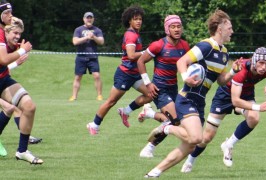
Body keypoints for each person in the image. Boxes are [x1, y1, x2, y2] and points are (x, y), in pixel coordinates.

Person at [144, 9, 241, 178]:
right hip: (187, 98)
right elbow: (183, 61)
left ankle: (154, 172)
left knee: (190, 145)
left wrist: (232, 71)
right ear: (220, 28)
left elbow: (220, 81)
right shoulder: (206, 46)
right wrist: (185, 77)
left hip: (200, 101)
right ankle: (168, 127)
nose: (232, 31)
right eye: (229, 27)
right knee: (196, 138)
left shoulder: (224, 53)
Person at [181, 47, 266, 172]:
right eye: (261, 63)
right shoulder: (242, 70)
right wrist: (259, 107)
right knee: (207, 137)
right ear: (254, 60)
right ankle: (190, 160)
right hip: (225, 96)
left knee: (254, 118)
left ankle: (229, 144)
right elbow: (235, 100)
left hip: (246, 94)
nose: (264, 67)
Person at [129, 15, 190, 158]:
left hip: (174, 88)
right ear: (167, 29)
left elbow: (189, 64)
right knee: (175, 121)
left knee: (175, 121)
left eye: (178, 26)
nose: (176, 29)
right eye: (173, 27)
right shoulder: (158, 45)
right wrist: (148, 83)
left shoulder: (185, 46)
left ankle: (149, 115)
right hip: (159, 89)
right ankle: (148, 149)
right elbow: (140, 62)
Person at [86, 5, 150, 134]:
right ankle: (94, 124)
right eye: (135, 19)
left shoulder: (136, 34)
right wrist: (147, 52)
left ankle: (125, 111)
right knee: (111, 102)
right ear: (129, 21)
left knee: (150, 94)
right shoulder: (131, 35)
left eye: (140, 19)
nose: (138, 21)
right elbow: (131, 55)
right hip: (125, 74)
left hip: (134, 74)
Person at [0, 1, 41, 157]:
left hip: (3, 80)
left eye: (11, 12)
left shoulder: (5, 34)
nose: (10, 15)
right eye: (6, 13)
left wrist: (17, 51)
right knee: (10, 109)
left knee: (29, 106)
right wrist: (22, 50)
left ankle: (22, 150)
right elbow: (3, 60)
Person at [69, 11, 104, 101]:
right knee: (78, 77)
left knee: (97, 76)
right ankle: (74, 96)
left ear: (93, 19)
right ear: (84, 19)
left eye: (90, 18)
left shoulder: (97, 30)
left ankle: (99, 95)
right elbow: (75, 41)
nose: (89, 19)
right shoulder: (78, 30)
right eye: (87, 18)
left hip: (93, 57)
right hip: (81, 57)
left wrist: (94, 37)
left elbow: (101, 42)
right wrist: (86, 37)